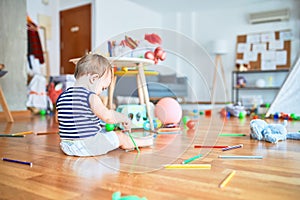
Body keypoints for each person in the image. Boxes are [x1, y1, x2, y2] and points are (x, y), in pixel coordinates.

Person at [56, 54, 153, 156]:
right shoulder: (91, 97)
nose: (100, 92)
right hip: (87, 146)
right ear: (94, 79)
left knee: (102, 132)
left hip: (67, 146)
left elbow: (63, 120)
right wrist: (124, 118)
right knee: (120, 136)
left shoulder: (62, 96)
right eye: (103, 88)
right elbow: (108, 117)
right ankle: (146, 142)